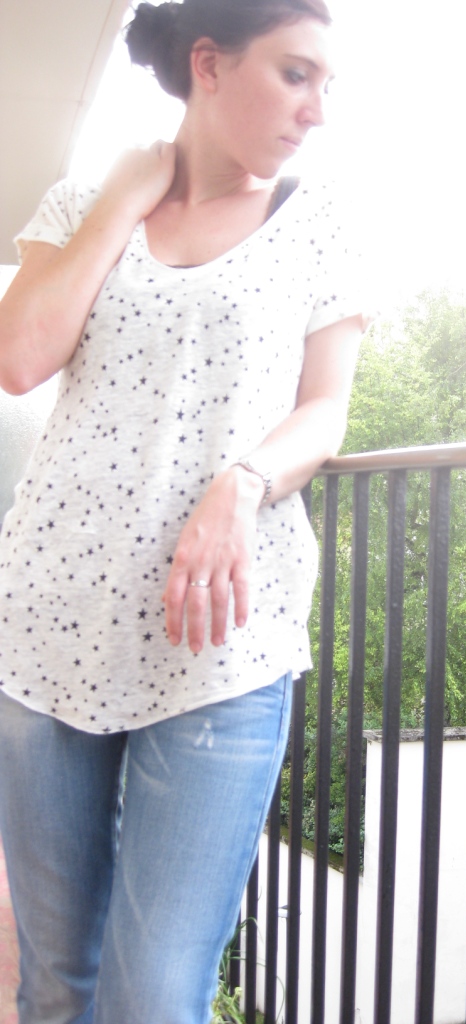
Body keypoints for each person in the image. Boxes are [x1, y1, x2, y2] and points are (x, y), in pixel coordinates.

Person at [0, 0, 367, 1020]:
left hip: (218, 643)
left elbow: (326, 409)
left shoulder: (321, 224)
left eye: (327, 84)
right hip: (49, 626)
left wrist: (242, 481)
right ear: (209, 63)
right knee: (56, 980)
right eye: (295, 74)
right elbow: (20, 356)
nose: (317, 108)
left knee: (156, 995)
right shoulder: (85, 202)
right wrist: (123, 199)